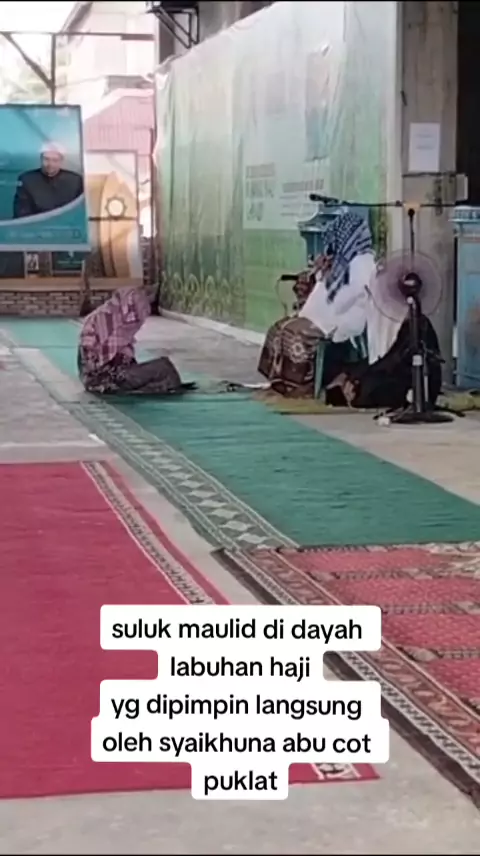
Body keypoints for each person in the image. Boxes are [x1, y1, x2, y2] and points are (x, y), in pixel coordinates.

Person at [258, 211, 375, 396]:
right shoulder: (343, 260)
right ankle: (280, 382)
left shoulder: (363, 262)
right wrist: (321, 270)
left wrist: (329, 303)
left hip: (344, 318)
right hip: (327, 315)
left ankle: (300, 386)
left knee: (295, 335)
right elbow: (325, 288)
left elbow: (348, 297)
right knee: (278, 330)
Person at [78, 287, 192, 396]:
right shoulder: (102, 322)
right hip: (104, 381)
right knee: (164, 368)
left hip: (104, 378)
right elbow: (92, 359)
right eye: (140, 307)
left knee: (160, 369)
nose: (143, 313)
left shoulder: (111, 320)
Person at [13, 141, 84, 219]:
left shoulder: (75, 181)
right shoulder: (27, 180)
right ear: (41, 159)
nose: (50, 164)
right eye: (46, 159)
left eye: (55, 160)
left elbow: (79, 212)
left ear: (61, 161)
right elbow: (22, 213)